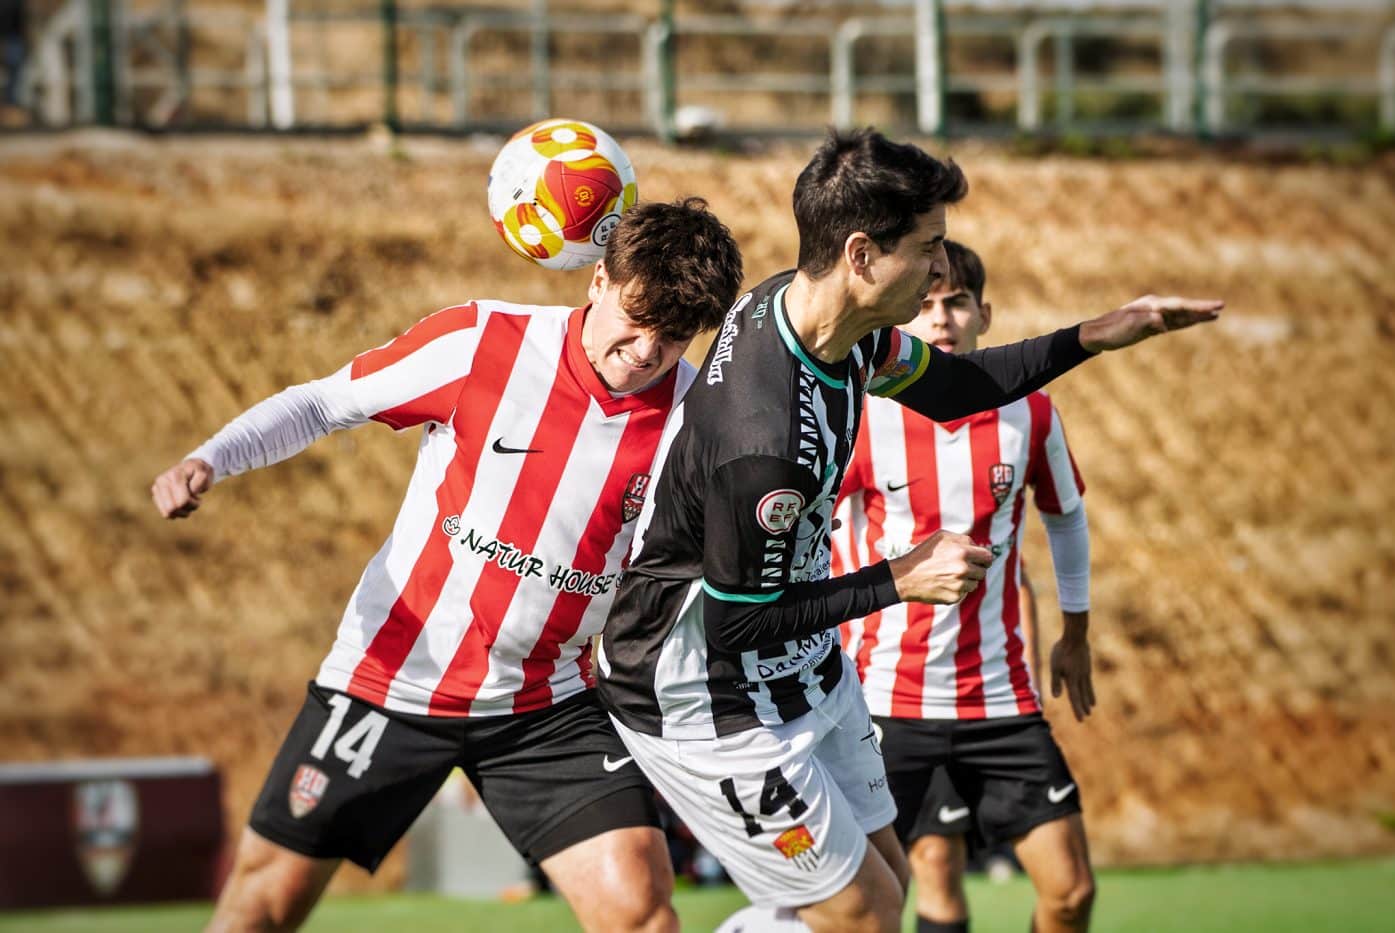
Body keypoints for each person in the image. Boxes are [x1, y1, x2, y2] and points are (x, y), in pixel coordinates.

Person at [595, 128, 1220, 933]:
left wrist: (1096, 334)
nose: (938, 269)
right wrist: (901, 577)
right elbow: (736, 620)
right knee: (863, 916)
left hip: (802, 665)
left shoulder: (818, 318)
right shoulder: (766, 441)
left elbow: (956, 388)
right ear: (861, 254)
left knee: (889, 889)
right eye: (928, 249)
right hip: (701, 692)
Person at [150, 198, 744, 933]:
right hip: (391, 679)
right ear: (597, 280)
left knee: (640, 910)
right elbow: (324, 403)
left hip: (543, 704)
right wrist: (211, 457)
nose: (646, 349)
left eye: (674, 334)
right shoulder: (482, 342)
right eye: (636, 316)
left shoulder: (697, 418)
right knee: (261, 906)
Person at [836, 240, 1097, 933]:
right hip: (885, 702)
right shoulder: (863, 414)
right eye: (923, 305)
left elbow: (1065, 518)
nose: (941, 318)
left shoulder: (1032, 413)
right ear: (899, 319)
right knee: (920, 890)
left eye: (955, 302)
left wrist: (1076, 630)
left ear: (985, 313)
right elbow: (821, 551)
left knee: (1070, 891)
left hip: (1002, 701)